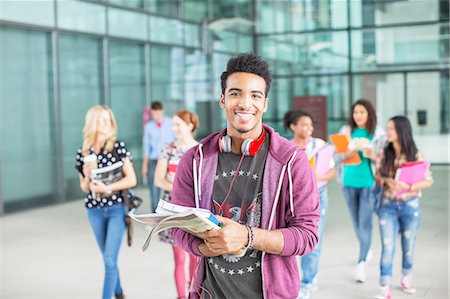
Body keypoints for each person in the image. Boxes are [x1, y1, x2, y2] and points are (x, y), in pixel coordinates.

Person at [170, 52, 320, 299]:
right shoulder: (194, 160)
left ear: (265, 104)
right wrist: (205, 247)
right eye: (235, 93)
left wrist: (247, 237)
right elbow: (178, 227)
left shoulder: (291, 161)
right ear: (222, 99)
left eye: (255, 95)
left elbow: (307, 235)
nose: (244, 104)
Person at [75, 105, 137, 299]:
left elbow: (132, 179)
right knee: (108, 259)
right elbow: (84, 188)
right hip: (94, 210)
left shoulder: (117, 146)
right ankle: (118, 293)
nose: (105, 123)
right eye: (101, 119)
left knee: (110, 259)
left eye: (108, 119)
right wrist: (86, 177)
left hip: (116, 208)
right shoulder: (83, 151)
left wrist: (108, 188)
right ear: (92, 122)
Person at [374, 116, 433, 299]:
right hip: (388, 205)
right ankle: (385, 286)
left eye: (391, 128)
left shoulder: (415, 154)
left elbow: (428, 180)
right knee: (388, 246)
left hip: (410, 205)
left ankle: (406, 277)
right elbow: (377, 176)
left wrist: (408, 186)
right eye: (387, 128)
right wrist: (386, 181)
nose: (387, 132)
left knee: (408, 246)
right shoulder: (385, 152)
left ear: (401, 131)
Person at [284, 110, 336, 299]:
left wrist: (317, 176)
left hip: (318, 194)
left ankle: (308, 281)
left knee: (314, 239)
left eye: (310, 125)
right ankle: (292, 280)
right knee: (291, 241)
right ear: (293, 127)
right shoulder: (286, 147)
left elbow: (332, 172)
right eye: (304, 125)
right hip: (293, 197)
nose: (309, 128)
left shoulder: (320, 146)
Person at [335, 99, 385, 283]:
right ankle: (367, 247)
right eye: (356, 112)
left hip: (368, 184)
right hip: (348, 183)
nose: (358, 116)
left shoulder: (378, 133)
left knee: (365, 224)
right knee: (356, 223)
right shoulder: (345, 131)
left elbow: (384, 160)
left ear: (369, 113)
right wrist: (348, 153)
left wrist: (374, 156)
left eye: (362, 112)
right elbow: (337, 156)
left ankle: (361, 263)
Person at [154, 110, 200, 299]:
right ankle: (181, 296)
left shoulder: (200, 150)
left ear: (190, 126)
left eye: (178, 124)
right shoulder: (168, 148)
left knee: (195, 256)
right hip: (172, 209)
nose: (174, 129)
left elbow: (203, 184)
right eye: (173, 125)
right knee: (179, 256)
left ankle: (193, 293)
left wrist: (179, 185)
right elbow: (158, 179)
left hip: (193, 209)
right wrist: (176, 186)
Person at [142, 101, 175, 212]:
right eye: (154, 114)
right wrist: (144, 165)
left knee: (170, 187)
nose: (156, 116)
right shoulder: (148, 127)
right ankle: (155, 216)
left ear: (162, 111)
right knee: (154, 189)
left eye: (158, 114)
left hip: (169, 160)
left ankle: (170, 214)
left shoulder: (171, 123)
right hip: (154, 160)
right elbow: (146, 147)